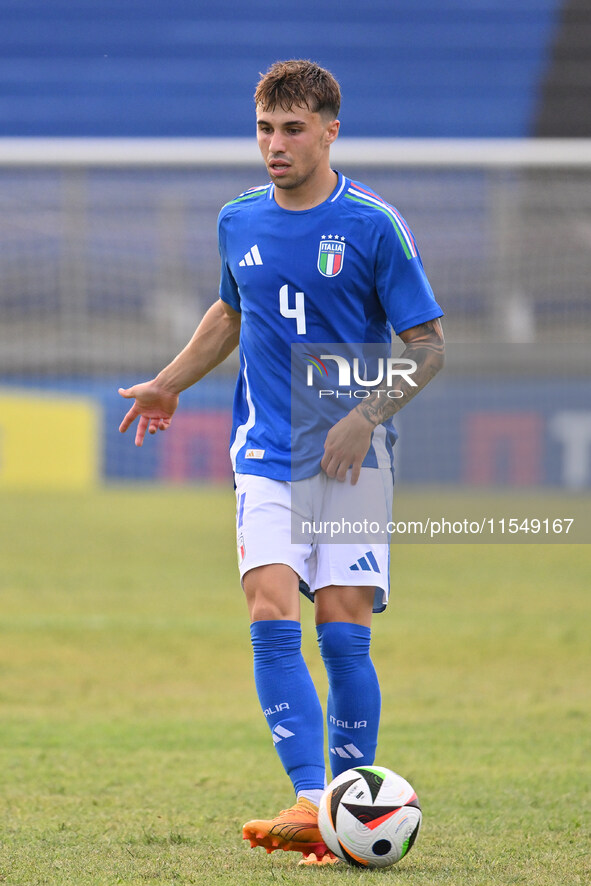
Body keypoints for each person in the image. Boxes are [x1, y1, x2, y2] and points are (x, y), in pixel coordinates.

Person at [119, 59, 444, 866]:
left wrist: (366, 419)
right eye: (264, 128)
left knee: (342, 634)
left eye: (292, 129)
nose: (275, 145)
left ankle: (343, 808)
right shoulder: (238, 219)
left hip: (353, 461)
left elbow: (428, 349)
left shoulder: (372, 223)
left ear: (330, 130)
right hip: (265, 453)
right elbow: (231, 311)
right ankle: (310, 801)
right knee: (270, 611)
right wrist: (167, 384)